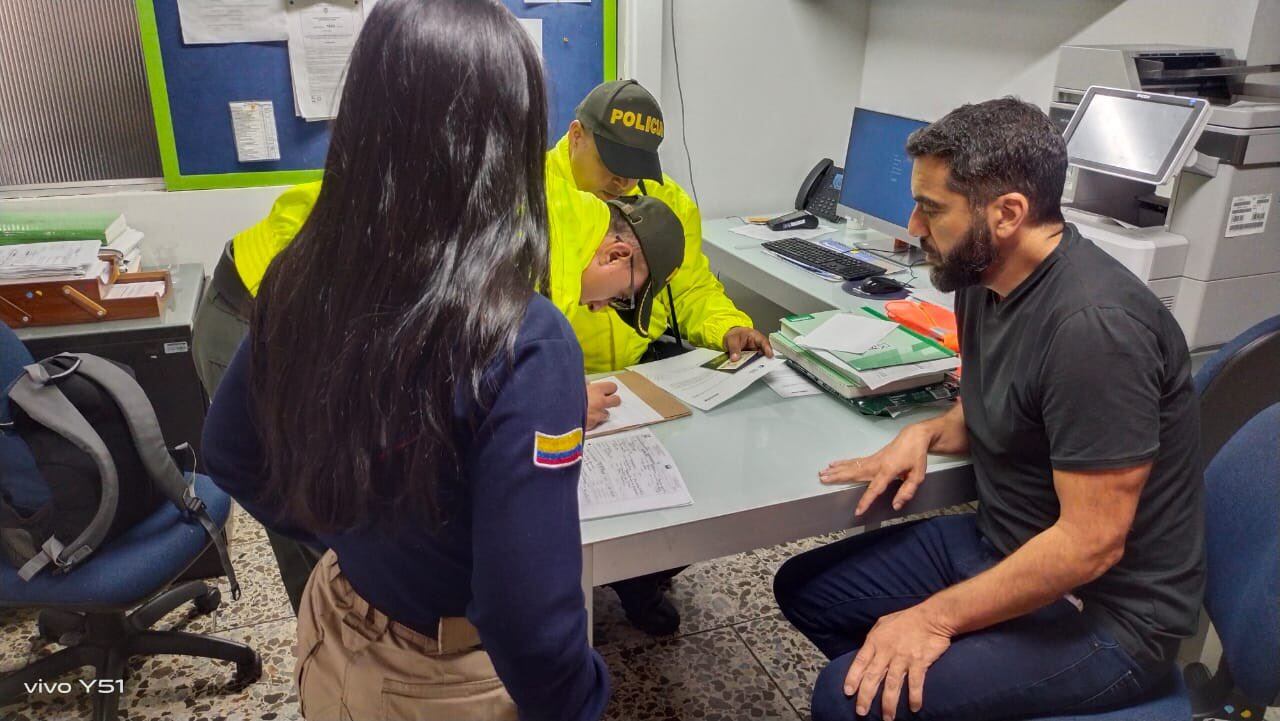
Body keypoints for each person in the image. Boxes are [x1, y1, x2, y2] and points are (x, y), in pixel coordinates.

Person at [200, 1, 608, 719]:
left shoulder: (304, 273)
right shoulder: (526, 342)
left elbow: (229, 452)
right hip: (440, 684)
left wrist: (355, 540)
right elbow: (530, 625)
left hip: (331, 633)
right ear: (505, 140)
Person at [773, 98, 1204, 721]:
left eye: (933, 208)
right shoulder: (982, 281)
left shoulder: (1095, 330)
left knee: (844, 699)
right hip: (1005, 543)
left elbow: (1090, 545)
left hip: (1106, 618)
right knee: (807, 591)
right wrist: (924, 432)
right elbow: (993, 410)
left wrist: (933, 620)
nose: (914, 227)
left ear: (1007, 213)